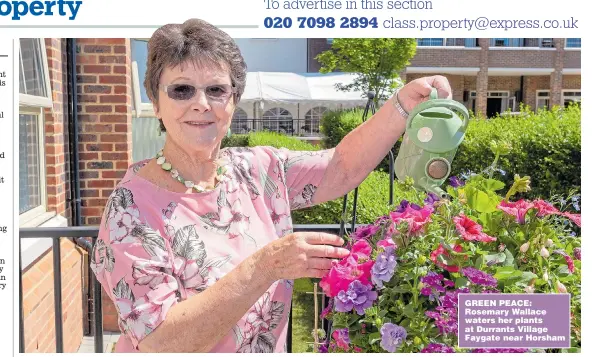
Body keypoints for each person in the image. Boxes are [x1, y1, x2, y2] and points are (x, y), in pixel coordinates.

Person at [90, 18, 453, 353]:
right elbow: (161, 342)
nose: (201, 104)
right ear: (156, 102)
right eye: (182, 90)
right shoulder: (132, 205)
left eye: (216, 90)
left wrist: (403, 105)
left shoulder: (255, 170)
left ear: (233, 101)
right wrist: (266, 266)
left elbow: (341, 167)